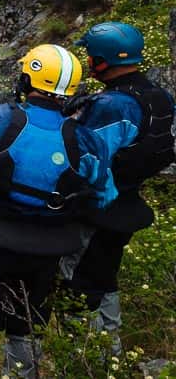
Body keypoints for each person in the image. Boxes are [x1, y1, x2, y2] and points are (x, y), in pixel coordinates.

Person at [0, 44, 131, 379]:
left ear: (28, 77)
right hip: (51, 249)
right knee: (27, 327)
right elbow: (104, 196)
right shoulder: (87, 140)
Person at [62, 22, 175, 354]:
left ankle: (84, 356)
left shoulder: (112, 105)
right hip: (128, 203)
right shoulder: (160, 96)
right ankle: (111, 348)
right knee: (104, 275)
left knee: (79, 285)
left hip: (97, 209)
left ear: (101, 61)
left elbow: (85, 160)